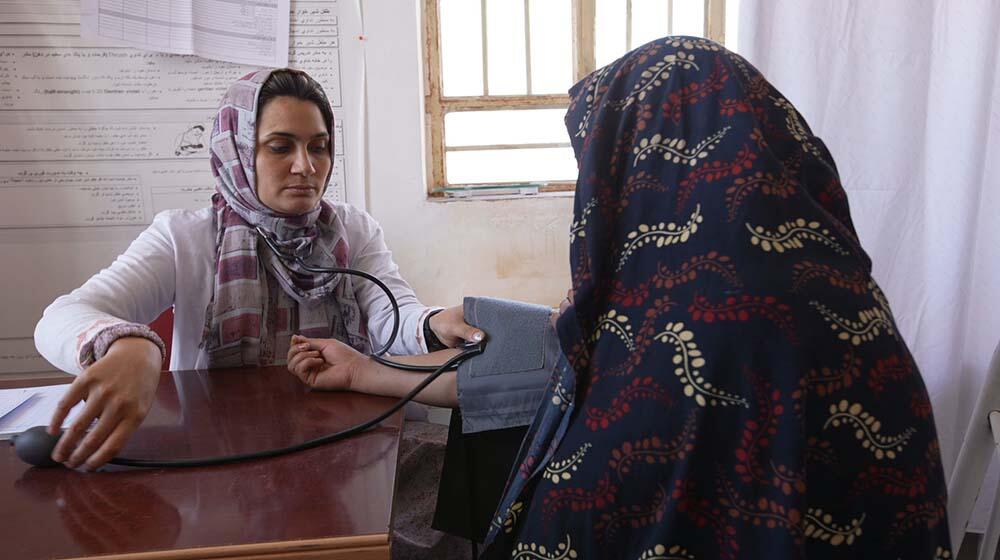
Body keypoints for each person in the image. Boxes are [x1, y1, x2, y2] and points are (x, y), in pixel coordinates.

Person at [288, 37, 952, 558]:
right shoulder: (843, 302)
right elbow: (519, 370)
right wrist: (364, 371)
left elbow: (589, 497)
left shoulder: (689, 337)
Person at [33, 68, 481, 471]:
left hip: (348, 444)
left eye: (319, 147)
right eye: (280, 147)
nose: (306, 167)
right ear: (239, 149)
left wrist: (433, 321)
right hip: (224, 452)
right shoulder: (184, 238)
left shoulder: (352, 230)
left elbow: (391, 317)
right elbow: (62, 315)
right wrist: (130, 346)